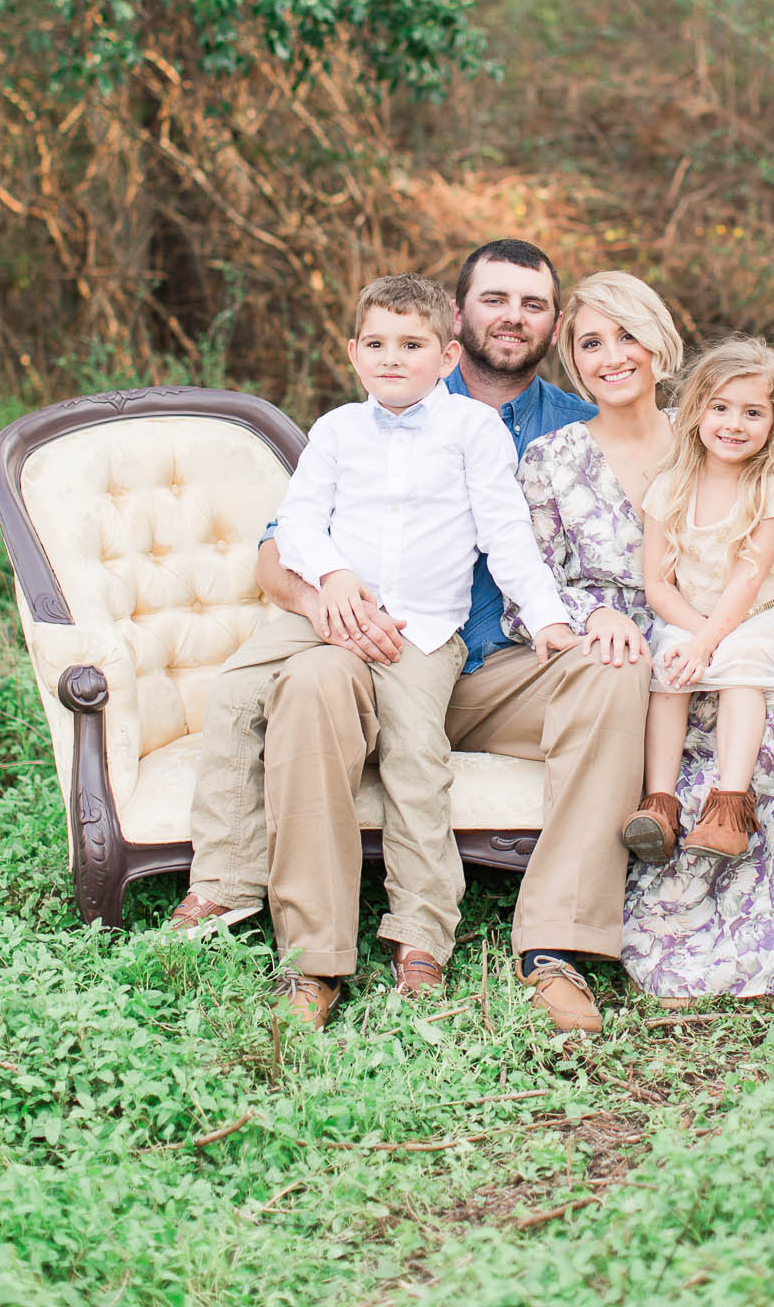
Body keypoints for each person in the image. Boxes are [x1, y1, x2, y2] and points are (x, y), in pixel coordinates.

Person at [179, 240, 649, 1035]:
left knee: (612, 672)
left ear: (552, 322)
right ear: (459, 317)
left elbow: (575, 550)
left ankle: (552, 949)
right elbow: (282, 542)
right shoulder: (358, 414)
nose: (513, 316)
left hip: (492, 663)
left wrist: (580, 617)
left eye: (532, 304)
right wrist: (326, 596)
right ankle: (304, 953)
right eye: (495, 298)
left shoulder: (581, 429)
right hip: (369, 650)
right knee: (304, 682)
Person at [509, 272, 774, 1004]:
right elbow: (529, 583)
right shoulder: (550, 460)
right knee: (666, 693)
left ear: (661, 342)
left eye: (628, 335)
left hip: (739, 637)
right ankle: (666, 876)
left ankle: (760, 890)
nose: (611, 355)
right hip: (632, 653)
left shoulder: (718, 435)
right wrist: (596, 615)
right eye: (590, 342)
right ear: (572, 359)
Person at [261, 271, 573, 1002]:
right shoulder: (336, 429)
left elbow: (507, 534)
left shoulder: (481, 430)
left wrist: (550, 615)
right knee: (251, 699)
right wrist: (330, 583)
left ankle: (421, 935)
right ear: (353, 352)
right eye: (377, 344)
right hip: (335, 628)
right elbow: (293, 530)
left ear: (445, 352)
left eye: (410, 344)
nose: (392, 358)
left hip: (427, 637)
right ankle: (302, 948)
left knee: (415, 761)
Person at [628, 337, 774, 862]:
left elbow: (748, 580)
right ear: (696, 411)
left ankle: (729, 808)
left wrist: (711, 644)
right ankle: (661, 805)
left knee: (741, 667)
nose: (733, 424)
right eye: (720, 407)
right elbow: (657, 585)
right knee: (665, 670)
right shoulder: (669, 488)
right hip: (689, 614)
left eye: (752, 412)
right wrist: (694, 639)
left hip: (757, 614)